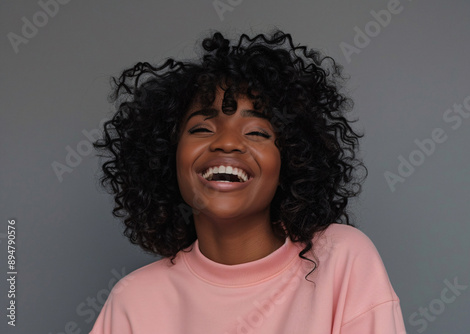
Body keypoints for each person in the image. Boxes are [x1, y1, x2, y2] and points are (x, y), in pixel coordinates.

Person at [90, 30, 406, 333]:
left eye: (256, 132)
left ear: (291, 160)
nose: (227, 143)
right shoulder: (134, 301)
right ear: (167, 156)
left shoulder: (341, 261)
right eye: (202, 129)